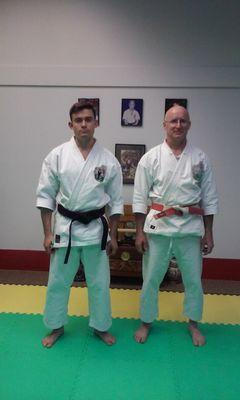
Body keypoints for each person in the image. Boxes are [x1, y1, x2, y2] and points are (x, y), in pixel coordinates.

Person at [36, 102, 123, 347]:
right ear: (71, 124)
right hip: (66, 228)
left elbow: (116, 202)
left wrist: (113, 236)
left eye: (88, 119)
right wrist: (47, 233)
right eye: (78, 120)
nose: (84, 124)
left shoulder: (108, 160)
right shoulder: (57, 156)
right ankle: (56, 326)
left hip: (96, 229)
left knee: (99, 283)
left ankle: (101, 326)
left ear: (96, 122)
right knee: (58, 281)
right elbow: (45, 196)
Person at [132, 105, 218, 346]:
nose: (178, 125)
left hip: (190, 227)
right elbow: (139, 197)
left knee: (193, 279)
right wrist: (139, 232)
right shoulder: (150, 158)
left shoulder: (200, 158)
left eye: (183, 121)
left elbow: (209, 198)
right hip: (158, 227)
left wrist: (209, 233)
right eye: (173, 121)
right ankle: (146, 321)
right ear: (164, 125)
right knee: (150, 278)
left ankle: (193, 323)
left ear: (189, 124)